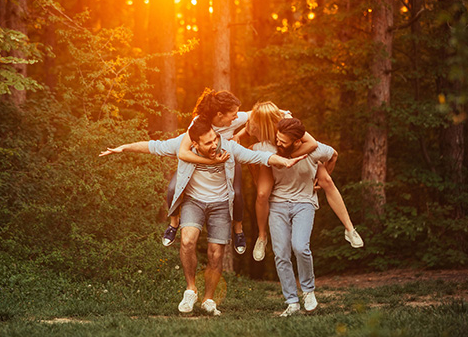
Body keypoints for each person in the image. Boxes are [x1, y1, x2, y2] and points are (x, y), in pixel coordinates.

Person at [100, 118, 305, 315]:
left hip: (221, 204)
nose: (215, 144)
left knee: (215, 254)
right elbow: (153, 146)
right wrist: (124, 147)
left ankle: (208, 299)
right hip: (193, 202)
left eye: (215, 138)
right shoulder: (182, 144)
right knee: (187, 241)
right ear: (195, 143)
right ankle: (190, 290)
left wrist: (284, 161)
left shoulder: (228, 147)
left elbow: (260, 157)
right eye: (208, 143)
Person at [246, 102, 363, 263]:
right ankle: (261, 236)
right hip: (272, 154)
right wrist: (256, 177)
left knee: (327, 181)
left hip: (298, 152)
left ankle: (349, 228)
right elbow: (248, 153)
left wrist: (316, 179)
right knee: (262, 194)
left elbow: (313, 144)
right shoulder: (258, 129)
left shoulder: (287, 121)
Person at [163, 88, 253, 255]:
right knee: (172, 188)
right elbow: (183, 152)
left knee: (238, 193)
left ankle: (238, 229)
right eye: (233, 113)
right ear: (220, 114)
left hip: (227, 160)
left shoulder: (233, 118)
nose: (236, 116)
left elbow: (255, 114)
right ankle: (174, 223)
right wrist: (210, 161)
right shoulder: (199, 122)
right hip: (203, 160)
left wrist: (240, 135)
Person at [265, 117, 338, 316]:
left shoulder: (314, 150)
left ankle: (308, 291)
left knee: (300, 246)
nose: (278, 143)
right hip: (278, 204)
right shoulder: (270, 148)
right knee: (281, 253)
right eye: (277, 138)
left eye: (283, 141)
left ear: (297, 142)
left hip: (304, 203)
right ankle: (292, 302)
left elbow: (333, 155)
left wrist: (321, 181)